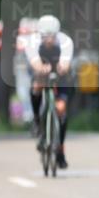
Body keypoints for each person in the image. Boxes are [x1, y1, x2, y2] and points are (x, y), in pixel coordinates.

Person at [27, 15, 74, 169]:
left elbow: (65, 63)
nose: (48, 39)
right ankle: (36, 119)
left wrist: (61, 68)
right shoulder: (32, 41)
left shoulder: (65, 41)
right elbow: (34, 62)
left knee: (61, 110)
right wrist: (42, 68)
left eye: (51, 36)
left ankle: (60, 150)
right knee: (37, 85)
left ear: (57, 34)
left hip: (60, 74)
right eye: (45, 36)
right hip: (41, 70)